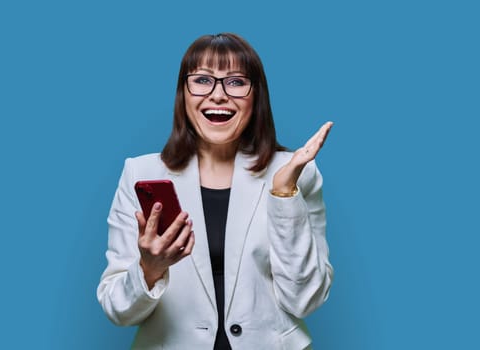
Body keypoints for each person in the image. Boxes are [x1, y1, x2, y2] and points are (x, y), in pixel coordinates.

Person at [97, 33, 334, 350]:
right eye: (202, 80)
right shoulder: (140, 173)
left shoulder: (295, 172)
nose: (218, 95)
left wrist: (284, 194)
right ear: (183, 93)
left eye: (236, 82)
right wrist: (149, 270)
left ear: (256, 95)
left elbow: (306, 301)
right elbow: (117, 309)